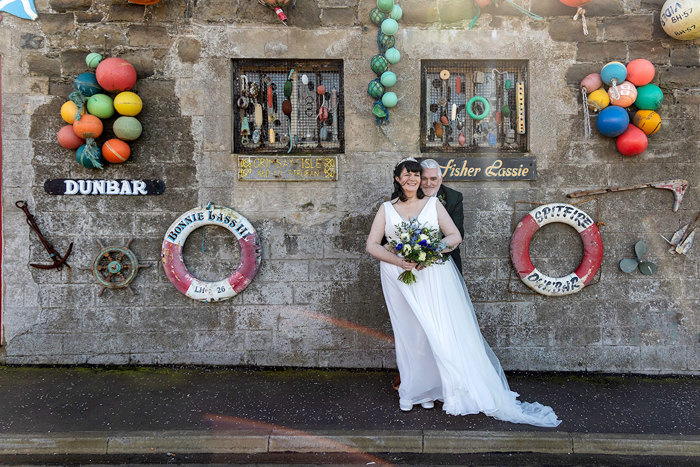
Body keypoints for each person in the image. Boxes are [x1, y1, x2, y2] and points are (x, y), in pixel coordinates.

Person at [365, 158, 561, 427]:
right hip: (398, 278)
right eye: (406, 175)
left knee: (439, 332)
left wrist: (430, 250)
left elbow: (454, 236)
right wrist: (399, 260)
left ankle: (435, 390)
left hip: (433, 275)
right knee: (409, 334)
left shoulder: (433, 205)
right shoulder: (386, 209)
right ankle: (414, 390)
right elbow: (372, 245)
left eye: (416, 175)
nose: (412, 179)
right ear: (397, 179)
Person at [418, 159, 464, 273]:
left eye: (433, 179)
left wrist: (428, 256)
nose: (428, 183)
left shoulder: (453, 198)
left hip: (444, 258)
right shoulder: (407, 196)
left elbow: (458, 234)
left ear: (440, 179)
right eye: (424, 178)